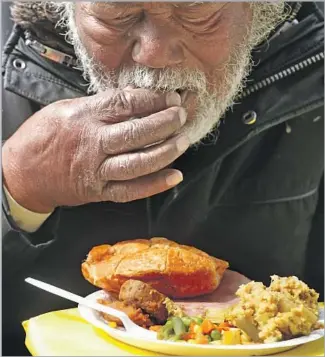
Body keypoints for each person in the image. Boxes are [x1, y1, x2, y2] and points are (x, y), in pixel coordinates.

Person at [2, 1, 324, 355]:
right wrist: (17, 182)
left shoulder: (312, 49)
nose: (154, 55)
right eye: (117, 14)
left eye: (195, 10)